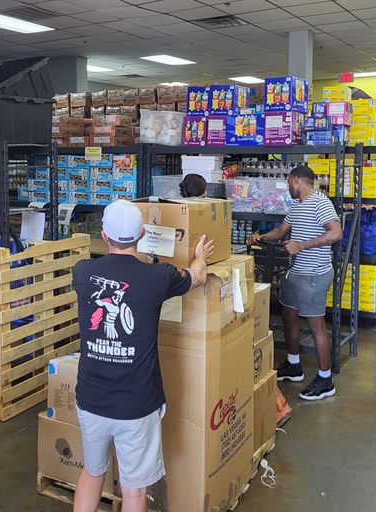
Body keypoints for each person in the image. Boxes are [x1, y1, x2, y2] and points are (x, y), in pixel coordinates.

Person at [72, 200, 214, 512]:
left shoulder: (83, 274)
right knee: (134, 493)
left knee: (92, 473)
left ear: (105, 235)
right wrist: (200, 257)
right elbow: (198, 276)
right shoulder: (158, 278)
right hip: (136, 405)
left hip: (91, 399)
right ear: (142, 234)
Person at [249, 165, 342, 401]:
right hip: (296, 272)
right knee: (288, 313)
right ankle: (294, 365)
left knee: (315, 325)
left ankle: (325, 379)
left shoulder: (320, 202)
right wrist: (259, 237)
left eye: (289, 181)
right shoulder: (298, 206)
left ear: (296, 180)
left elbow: (335, 233)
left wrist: (300, 246)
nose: (288, 186)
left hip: (314, 273)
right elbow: (281, 231)